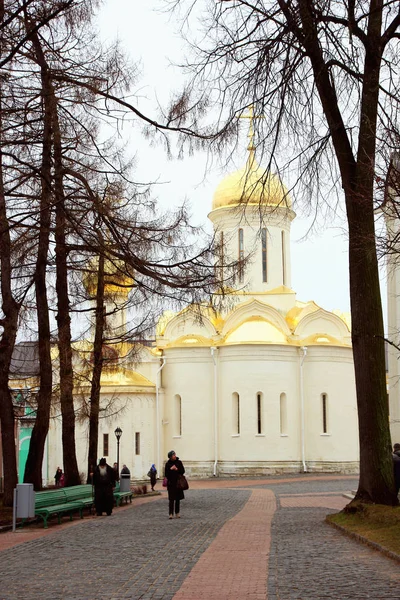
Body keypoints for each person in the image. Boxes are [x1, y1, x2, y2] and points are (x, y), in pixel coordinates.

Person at [164, 450, 185, 519]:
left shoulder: (179, 462)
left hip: (178, 483)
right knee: (171, 499)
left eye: (175, 455)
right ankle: (170, 513)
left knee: (178, 499)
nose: (175, 456)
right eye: (173, 455)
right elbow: (166, 474)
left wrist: (177, 469)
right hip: (171, 484)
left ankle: (177, 512)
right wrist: (170, 469)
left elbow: (182, 471)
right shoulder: (168, 464)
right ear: (170, 457)